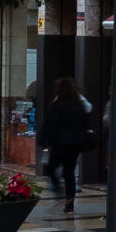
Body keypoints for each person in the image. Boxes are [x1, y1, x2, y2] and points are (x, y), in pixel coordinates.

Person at [39, 76, 93, 217]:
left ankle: (58, 190)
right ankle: (69, 204)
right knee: (69, 173)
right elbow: (85, 123)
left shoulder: (58, 104)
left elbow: (51, 124)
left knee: (51, 168)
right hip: (75, 145)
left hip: (60, 144)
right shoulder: (78, 105)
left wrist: (45, 141)